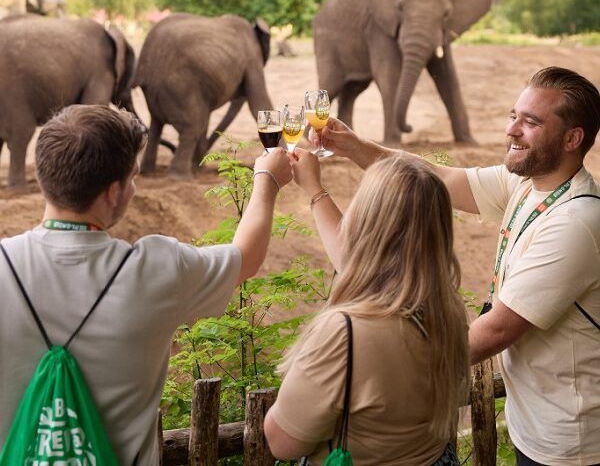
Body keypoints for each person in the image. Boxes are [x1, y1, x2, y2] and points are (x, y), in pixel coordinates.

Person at [305, 66, 600, 466]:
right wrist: (353, 146)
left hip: (571, 440)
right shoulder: (528, 183)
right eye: (514, 116)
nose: (512, 130)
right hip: (538, 418)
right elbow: (434, 178)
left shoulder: (576, 222)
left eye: (530, 122)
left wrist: (394, 368)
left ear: (572, 138)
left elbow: (498, 328)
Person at [0, 104, 292, 464]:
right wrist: (267, 179)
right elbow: (245, 258)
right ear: (112, 193)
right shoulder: (158, 269)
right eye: (133, 177)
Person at [264, 151, 469, 465]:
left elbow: (283, 442)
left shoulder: (345, 332)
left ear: (366, 222)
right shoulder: (446, 309)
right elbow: (361, 266)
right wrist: (314, 189)